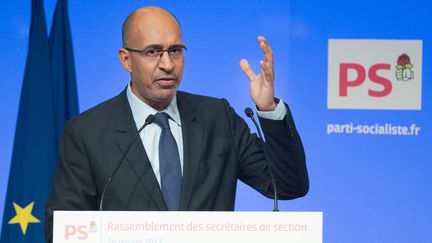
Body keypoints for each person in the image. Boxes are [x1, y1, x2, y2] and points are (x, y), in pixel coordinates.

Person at [44, 6, 308, 242]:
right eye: (152, 52)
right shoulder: (87, 132)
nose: (168, 65)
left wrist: (268, 109)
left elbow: (287, 186)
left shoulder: (218, 117)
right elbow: (62, 227)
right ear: (126, 59)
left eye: (175, 51)